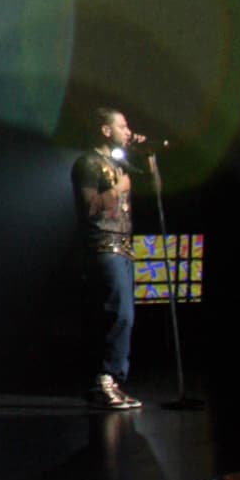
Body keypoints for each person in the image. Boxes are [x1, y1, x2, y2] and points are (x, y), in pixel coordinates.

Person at [71, 108, 143, 410]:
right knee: (119, 314)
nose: (127, 131)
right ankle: (104, 379)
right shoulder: (88, 164)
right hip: (103, 246)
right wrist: (118, 189)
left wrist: (146, 157)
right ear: (105, 130)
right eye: (122, 126)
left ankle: (112, 381)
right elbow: (89, 208)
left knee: (125, 315)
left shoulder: (119, 162)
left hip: (124, 247)